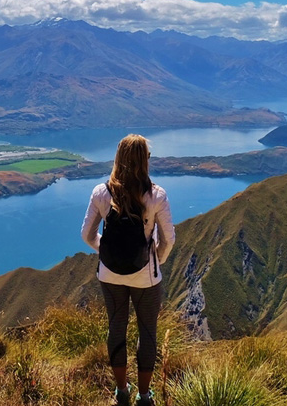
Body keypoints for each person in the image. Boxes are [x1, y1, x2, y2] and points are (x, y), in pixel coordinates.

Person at [81, 134, 175, 406]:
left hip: (109, 275)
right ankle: (144, 397)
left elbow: (87, 235)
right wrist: (154, 258)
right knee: (147, 332)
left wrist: (108, 252)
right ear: (145, 161)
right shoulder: (156, 195)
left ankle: (121, 392)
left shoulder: (101, 192)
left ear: (118, 159)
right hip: (146, 277)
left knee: (116, 327)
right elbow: (168, 239)